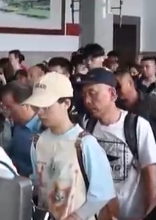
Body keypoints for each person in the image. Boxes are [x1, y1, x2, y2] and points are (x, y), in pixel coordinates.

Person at [26, 72, 116, 220]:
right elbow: (38, 183)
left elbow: (102, 192)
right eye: (37, 106)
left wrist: (77, 216)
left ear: (66, 104)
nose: (40, 112)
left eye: (46, 106)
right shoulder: (38, 142)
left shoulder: (84, 143)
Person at [79, 68, 156, 220]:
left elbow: (150, 174)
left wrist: (152, 214)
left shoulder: (137, 125)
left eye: (93, 93)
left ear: (112, 94)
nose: (87, 101)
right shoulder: (87, 125)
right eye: (84, 95)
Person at [0, 83, 43, 177]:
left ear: (25, 106)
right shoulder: (14, 125)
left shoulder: (42, 129)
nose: (5, 111)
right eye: (3, 107)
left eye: (9, 107)